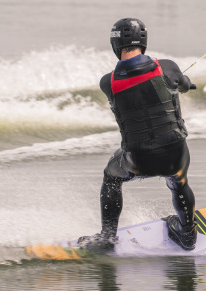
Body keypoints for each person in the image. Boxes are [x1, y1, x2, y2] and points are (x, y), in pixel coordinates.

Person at [78, 18, 198, 252]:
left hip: (138, 160)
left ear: (115, 45)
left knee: (111, 177)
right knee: (179, 181)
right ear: (143, 42)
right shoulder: (168, 66)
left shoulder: (107, 82)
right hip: (175, 153)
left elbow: (134, 84)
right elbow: (183, 85)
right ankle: (187, 234)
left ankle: (108, 236)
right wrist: (185, 83)